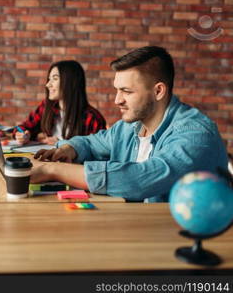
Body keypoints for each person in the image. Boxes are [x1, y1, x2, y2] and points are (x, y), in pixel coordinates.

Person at [31, 46, 228, 202]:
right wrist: (68, 148)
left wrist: (51, 170)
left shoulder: (195, 134)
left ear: (158, 91)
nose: (117, 100)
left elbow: (139, 180)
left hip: (185, 241)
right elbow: (91, 143)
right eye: (117, 90)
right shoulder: (129, 127)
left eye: (127, 91)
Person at [13, 60, 106, 145]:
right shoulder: (46, 106)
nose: (48, 84)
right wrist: (22, 135)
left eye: (55, 78)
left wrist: (62, 144)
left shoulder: (93, 118)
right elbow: (22, 127)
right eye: (49, 79)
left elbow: (99, 152)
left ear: (70, 82)